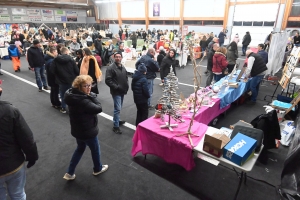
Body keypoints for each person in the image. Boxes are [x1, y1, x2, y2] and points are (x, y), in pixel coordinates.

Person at [63, 75, 108, 180]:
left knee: (80, 149)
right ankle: (97, 169)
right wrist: (92, 96)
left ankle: (69, 173)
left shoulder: (72, 95)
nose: (88, 88)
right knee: (95, 150)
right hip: (87, 131)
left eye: (90, 85)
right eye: (85, 86)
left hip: (77, 130)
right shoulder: (83, 100)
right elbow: (98, 108)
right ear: (79, 87)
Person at [0, 86, 38, 199]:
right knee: (18, 194)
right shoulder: (10, 110)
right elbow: (26, 138)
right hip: (14, 164)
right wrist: (32, 156)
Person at [105, 52, 129, 134]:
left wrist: (126, 85)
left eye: (119, 57)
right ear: (114, 58)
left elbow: (125, 77)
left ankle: (117, 120)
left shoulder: (122, 66)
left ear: (121, 58)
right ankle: (115, 126)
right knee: (117, 109)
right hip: (116, 91)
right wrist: (117, 87)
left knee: (119, 107)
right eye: (116, 57)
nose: (118, 58)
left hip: (122, 90)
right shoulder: (110, 68)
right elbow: (108, 80)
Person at [51, 47, 79, 113]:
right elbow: (76, 70)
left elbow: (52, 71)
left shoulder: (56, 60)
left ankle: (63, 107)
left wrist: (57, 75)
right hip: (71, 80)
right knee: (72, 94)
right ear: (66, 52)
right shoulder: (71, 59)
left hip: (61, 81)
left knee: (63, 94)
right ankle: (72, 108)